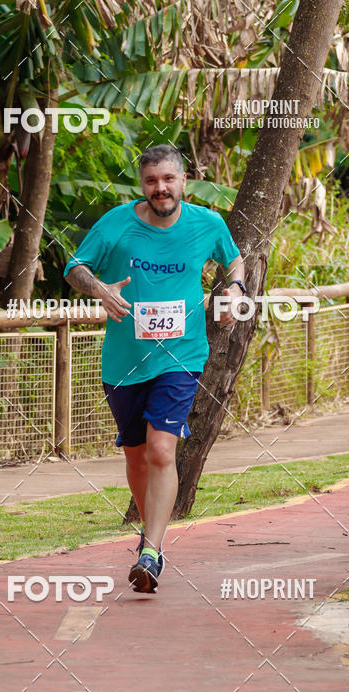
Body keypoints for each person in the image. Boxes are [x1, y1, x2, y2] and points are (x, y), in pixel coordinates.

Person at [64, 144, 245, 593]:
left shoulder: (208, 223)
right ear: (141, 184)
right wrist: (100, 289)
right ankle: (153, 541)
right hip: (124, 361)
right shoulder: (116, 223)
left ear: (184, 180)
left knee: (162, 449)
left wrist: (236, 290)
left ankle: (150, 551)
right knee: (136, 454)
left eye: (168, 179)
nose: (160, 188)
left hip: (181, 354)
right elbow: (73, 266)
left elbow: (233, 258)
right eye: (151, 181)